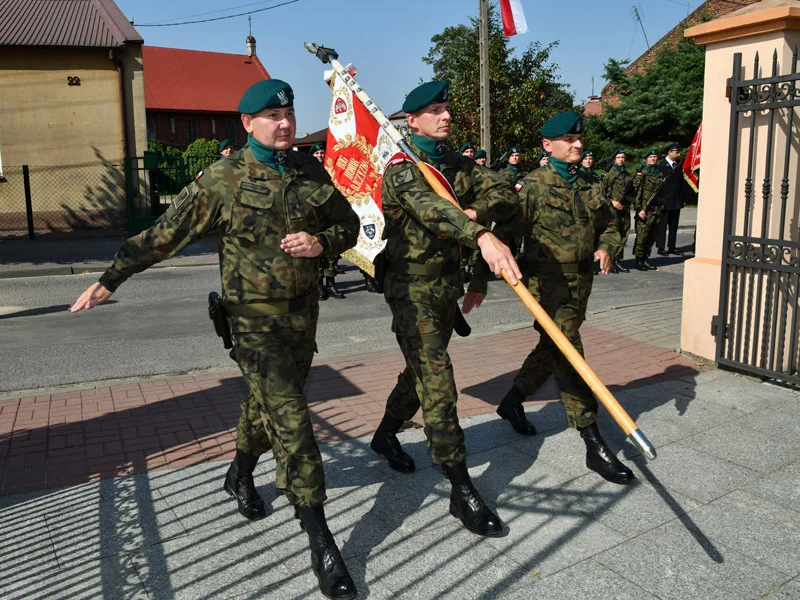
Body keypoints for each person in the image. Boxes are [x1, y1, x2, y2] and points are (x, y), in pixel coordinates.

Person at [70, 80, 360, 600]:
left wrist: (322, 242)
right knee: (293, 423)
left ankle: (239, 474)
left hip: (302, 320)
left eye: (289, 112)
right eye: (272, 116)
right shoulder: (223, 180)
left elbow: (350, 224)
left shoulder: (309, 171)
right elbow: (166, 233)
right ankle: (322, 541)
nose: (285, 123)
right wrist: (113, 276)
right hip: (252, 325)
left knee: (264, 408)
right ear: (247, 123)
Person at [370, 80, 522, 537]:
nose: (447, 116)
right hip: (411, 291)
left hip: (445, 290)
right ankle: (461, 489)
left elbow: (507, 196)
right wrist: (478, 233)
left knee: (418, 374)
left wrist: (475, 216)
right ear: (410, 120)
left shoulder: (455, 163)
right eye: (435, 109)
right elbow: (433, 212)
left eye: (447, 108)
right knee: (438, 381)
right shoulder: (401, 170)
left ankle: (382, 435)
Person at [465, 111, 634, 487]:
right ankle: (593, 440)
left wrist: (608, 247)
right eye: (568, 139)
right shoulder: (533, 187)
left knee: (551, 350)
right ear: (548, 145)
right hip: (544, 287)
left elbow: (611, 225)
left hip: (580, 285)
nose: (577, 145)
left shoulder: (591, 184)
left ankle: (511, 402)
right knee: (570, 354)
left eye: (580, 139)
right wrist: (479, 281)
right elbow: (500, 236)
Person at [309, 141, 346, 300]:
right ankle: (319, 286)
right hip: (315, 215)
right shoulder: (307, 171)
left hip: (331, 214)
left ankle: (331, 284)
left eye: (322, 152)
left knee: (331, 251)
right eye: (316, 153)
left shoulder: (333, 168)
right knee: (317, 252)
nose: (320, 155)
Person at [602, 149, 634, 274]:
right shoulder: (610, 175)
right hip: (613, 210)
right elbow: (602, 193)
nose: (621, 159)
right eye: (618, 157)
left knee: (624, 235)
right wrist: (612, 202)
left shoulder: (626, 174)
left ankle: (618, 260)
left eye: (622, 157)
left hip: (624, 209)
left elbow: (631, 192)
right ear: (614, 159)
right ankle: (610, 262)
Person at [632, 149, 664, 271]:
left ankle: (646, 258)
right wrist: (639, 209)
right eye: (651, 156)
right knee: (642, 236)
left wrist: (661, 204)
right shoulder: (642, 173)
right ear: (646, 159)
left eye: (655, 156)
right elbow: (637, 192)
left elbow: (661, 192)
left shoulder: (658, 173)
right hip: (645, 209)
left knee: (651, 236)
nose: (653, 158)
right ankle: (639, 260)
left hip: (655, 209)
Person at [656, 143, 685, 256]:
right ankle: (661, 247)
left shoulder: (678, 165)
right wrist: (659, 200)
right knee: (662, 225)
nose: (678, 154)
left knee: (674, 224)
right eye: (676, 152)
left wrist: (682, 198)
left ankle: (672, 246)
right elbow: (658, 185)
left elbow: (681, 183)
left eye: (679, 152)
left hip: (676, 199)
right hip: (665, 199)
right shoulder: (661, 165)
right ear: (669, 152)